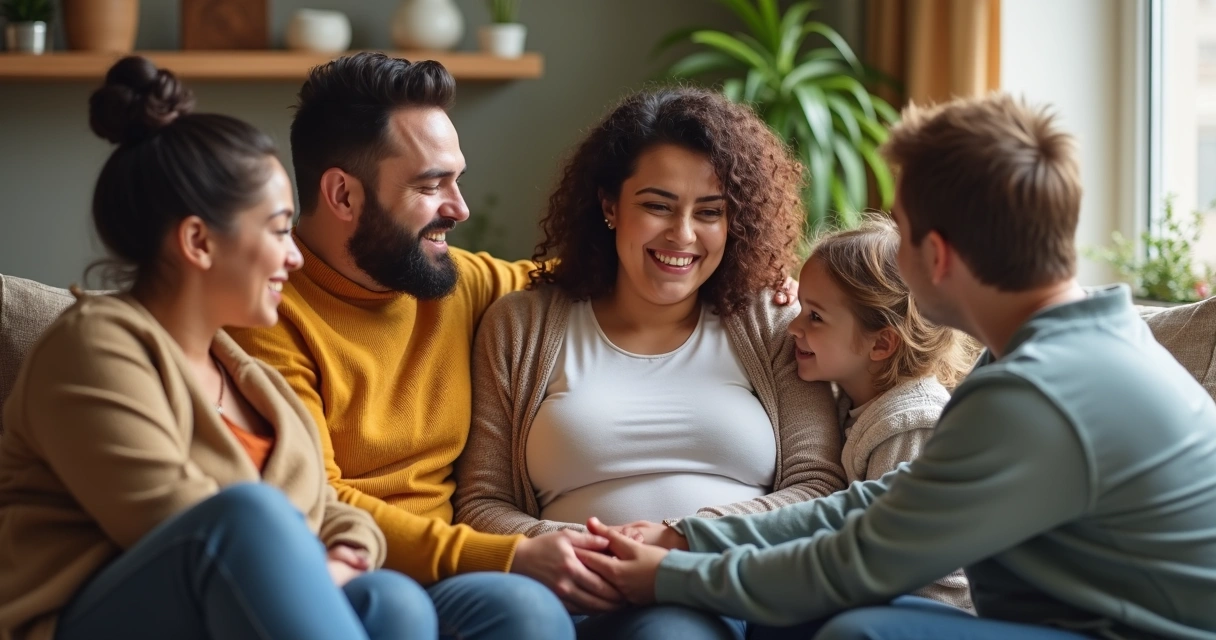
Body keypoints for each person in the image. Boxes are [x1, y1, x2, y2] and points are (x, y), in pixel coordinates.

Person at [575, 93, 1216, 640]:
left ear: (936, 255)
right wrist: (689, 540)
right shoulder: (1065, 350)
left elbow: (858, 561)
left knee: (862, 633)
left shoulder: (1040, 391)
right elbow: (880, 504)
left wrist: (669, 577)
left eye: (900, 233)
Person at [0, 56, 436, 640]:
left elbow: (335, 513)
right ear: (199, 242)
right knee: (251, 515)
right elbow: (186, 523)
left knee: (394, 602)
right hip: (84, 618)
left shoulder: (251, 377)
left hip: (233, 601)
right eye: (278, 229)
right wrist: (311, 566)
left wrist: (342, 556)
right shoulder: (91, 348)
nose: (295, 256)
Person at [452, 87, 847, 639]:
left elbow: (819, 484)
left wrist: (682, 540)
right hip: (576, 593)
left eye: (709, 212)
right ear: (610, 206)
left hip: (723, 587)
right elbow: (481, 502)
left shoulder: (774, 319)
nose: (682, 234)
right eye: (657, 206)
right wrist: (578, 548)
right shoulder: (521, 325)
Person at [224, 51, 585, 640]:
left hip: (452, 577)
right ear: (343, 195)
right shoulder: (265, 313)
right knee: (406, 606)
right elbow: (318, 496)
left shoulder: (455, 282)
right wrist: (507, 555)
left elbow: (592, 278)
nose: (459, 208)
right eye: (430, 185)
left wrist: (738, 272)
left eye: (456, 179)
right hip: (343, 568)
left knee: (527, 613)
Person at [786, 218, 974, 611]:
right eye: (800, 307)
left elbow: (889, 557)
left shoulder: (910, 422)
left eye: (814, 316)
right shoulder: (856, 401)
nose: (792, 327)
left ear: (882, 343)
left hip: (927, 608)